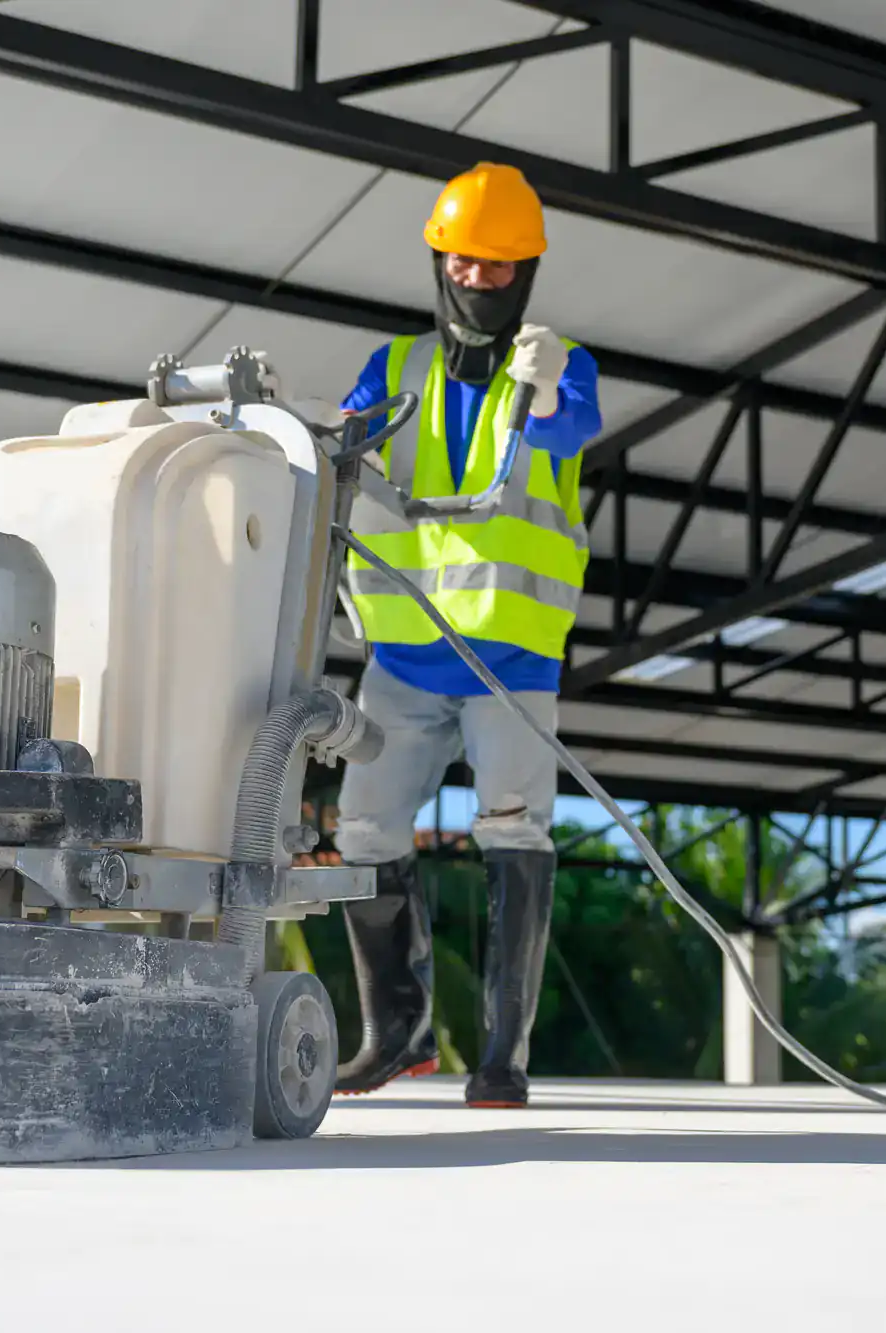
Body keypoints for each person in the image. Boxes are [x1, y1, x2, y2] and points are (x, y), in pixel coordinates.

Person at [331, 162, 602, 1108]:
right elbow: (344, 445)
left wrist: (552, 383)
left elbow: (569, 433)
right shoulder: (393, 367)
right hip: (403, 658)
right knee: (361, 827)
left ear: (525, 270)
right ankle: (395, 1034)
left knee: (514, 830)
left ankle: (502, 1057)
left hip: (511, 664)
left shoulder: (561, 370)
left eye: (499, 267)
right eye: (465, 263)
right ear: (439, 261)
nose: (478, 282)